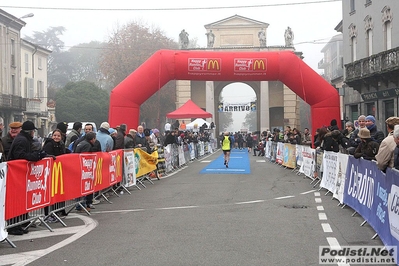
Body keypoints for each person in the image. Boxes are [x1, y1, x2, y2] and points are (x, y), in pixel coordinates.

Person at [7, 121, 47, 235]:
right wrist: (35, 156)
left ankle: (18, 224)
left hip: (19, 174)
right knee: (16, 200)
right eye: (33, 131)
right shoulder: (22, 140)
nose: (34, 133)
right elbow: (20, 155)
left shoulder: (24, 139)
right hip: (16, 173)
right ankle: (13, 225)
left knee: (20, 200)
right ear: (30, 131)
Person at [42, 129, 67, 221]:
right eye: (54, 135)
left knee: (56, 192)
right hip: (50, 172)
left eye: (58, 136)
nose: (56, 137)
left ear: (61, 137)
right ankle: (47, 214)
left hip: (57, 172)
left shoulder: (61, 144)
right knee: (48, 193)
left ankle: (57, 211)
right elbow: (46, 155)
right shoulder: (49, 145)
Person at [75, 132, 98, 212]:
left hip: (79, 167)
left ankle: (80, 204)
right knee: (85, 187)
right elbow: (86, 158)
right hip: (84, 170)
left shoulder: (80, 142)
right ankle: (82, 205)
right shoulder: (87, 145)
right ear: (92, 139)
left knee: (81, 187)